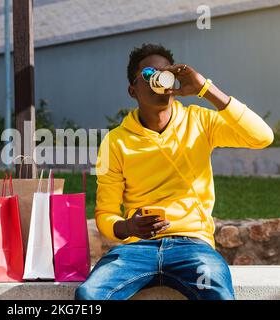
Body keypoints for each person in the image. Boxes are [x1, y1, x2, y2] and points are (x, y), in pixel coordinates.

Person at [75, 43, 274, 300]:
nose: (160, 80)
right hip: (136, 250)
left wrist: (205, 89)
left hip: (192, 246)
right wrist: (128, 227)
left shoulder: (200, 121)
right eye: (149, 74)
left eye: (165, 73)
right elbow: (106, 213)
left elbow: (262, 137)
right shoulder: (114, 142)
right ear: (132, 90)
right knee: (89, 295)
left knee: (219, 295)